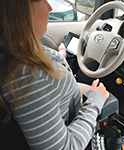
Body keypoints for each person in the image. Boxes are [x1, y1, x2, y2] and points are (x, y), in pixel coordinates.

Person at [0, 0, 111, 149]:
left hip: (64, 103)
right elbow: (66, 147)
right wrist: (94, 102)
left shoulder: (16, 51)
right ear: (20, 13)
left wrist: (60, 56)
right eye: (43, 2)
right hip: (71, 123)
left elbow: (47, 78)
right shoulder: (31, 78)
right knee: (110, 101)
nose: (50, 7)